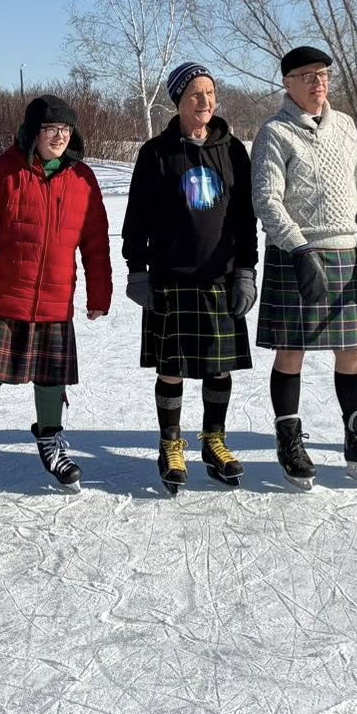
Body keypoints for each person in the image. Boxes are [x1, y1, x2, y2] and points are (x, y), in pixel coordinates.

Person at [250, 45, 357, 488]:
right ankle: (289, 441)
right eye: (308, 76)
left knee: (352, 353)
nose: (319, 83)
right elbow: (267, 201)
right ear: (288, 83)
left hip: (342, 251)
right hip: (296, 255)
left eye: (324, 74)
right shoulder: (274, 133)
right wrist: (297, 248)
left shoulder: (345, 126)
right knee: (291, 353)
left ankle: (356, 440)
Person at [0, 96, 112, 493]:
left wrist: (100, 291)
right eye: (50, 129)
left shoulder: (82, 179)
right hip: (5, 295)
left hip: (56, 299)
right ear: (33, 132)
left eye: (65, 130)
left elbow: (95, 242)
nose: (59, 137)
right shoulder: (2, 173)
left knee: (51, 377)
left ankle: (50, 441)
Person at [122, 61, 258, 493]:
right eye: (195, 94)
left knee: (219, 370)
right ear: (178, 101)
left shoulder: (234, 150)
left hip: (220, 276)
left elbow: (244, 218)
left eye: (210, 93)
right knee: (172, 369)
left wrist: (246, 271)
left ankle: (214, 441)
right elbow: (136, 217)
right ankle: (170, 444)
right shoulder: (155, 153)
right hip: (171, 277)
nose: (205, 101)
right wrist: (136, 269)